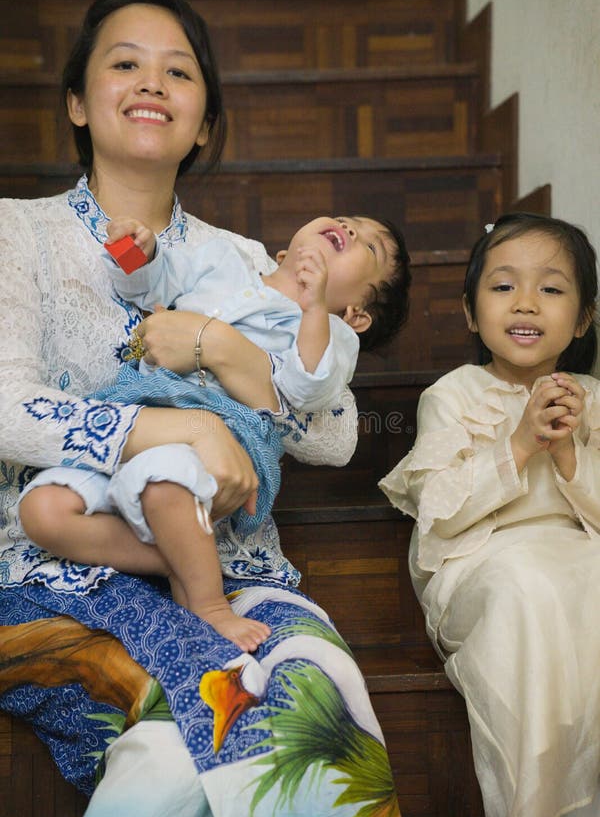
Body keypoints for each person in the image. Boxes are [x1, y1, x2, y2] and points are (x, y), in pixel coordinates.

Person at [0, 0, 411, 817]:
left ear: (203, 124)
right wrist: (171, 431)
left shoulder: (247, 259)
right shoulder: (16, 234)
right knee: (208, 715)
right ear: (77, 100)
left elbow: (333, 432)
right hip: (55, 560)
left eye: (177, 72)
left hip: (228, 557)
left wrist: (224, 350)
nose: (152, 83)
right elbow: (4, 407)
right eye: (124, 64)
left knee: (312, 691)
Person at [18, 210, 409, 651]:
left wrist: (316, 306)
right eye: (345, 219)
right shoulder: (224, 260)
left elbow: (309, 387)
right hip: (137, 410)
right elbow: (152, 282)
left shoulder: (331, 333)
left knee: (166, 488)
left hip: (221, 435)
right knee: (42, 511)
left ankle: (209, 604)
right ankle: (176, 559)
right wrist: (139, 252)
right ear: (282, 254)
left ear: (356, 314)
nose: (352, 229)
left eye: (370, 246)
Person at [380, 211, 600, 817]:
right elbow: (441, 511)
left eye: (553, 289)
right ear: (473, 314)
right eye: (504, 286)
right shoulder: (453, 395)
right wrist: (523, 440)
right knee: (527, 589)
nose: (527, 302)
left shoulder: (591, 395)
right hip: (483, 558)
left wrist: (568, 457)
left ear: (584, 318)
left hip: (580, 549)